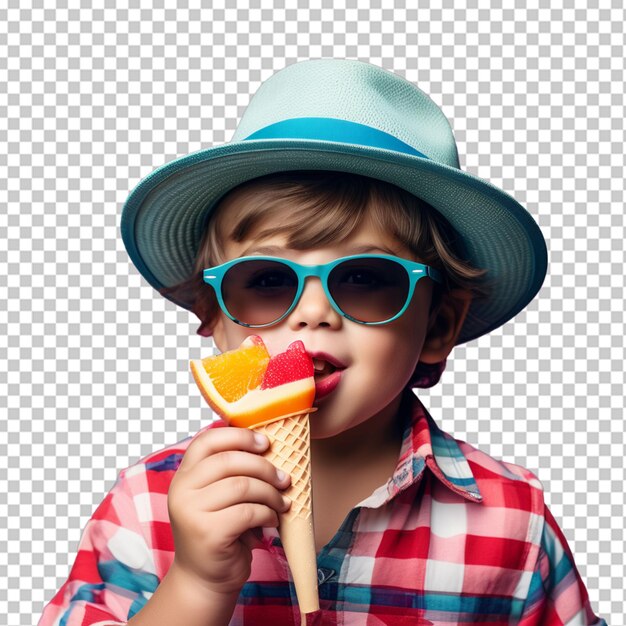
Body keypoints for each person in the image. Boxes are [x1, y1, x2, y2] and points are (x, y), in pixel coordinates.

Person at [38, 59, 607, 626]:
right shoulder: (148, 502)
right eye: (266, 281)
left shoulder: (513, 520)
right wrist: (196, 584)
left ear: (437, 326)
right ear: (213, 316)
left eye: (363, 280)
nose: (312, 313)